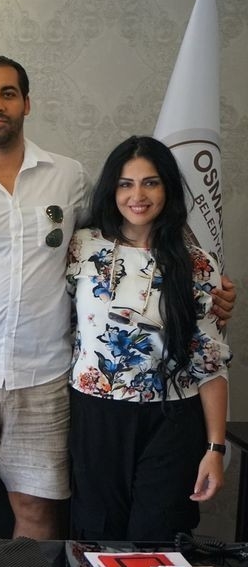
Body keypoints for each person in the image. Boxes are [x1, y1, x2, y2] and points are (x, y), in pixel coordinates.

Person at [0, 55, 236, 540]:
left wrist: (206, 285)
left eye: (8, 93)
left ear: (27, 103)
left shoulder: (69, 178)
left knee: (38, 511)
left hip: (47, 379)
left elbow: (134, 238)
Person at [67, 136, 231, 541]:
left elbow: (210, 363)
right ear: (112, 189)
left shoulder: (197, 263)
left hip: (172, 420)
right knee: (98, 537)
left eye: (150, 183)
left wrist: (215, 448)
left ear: (168, 188)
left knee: (156, 538)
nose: (137, 196)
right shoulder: (82, 247)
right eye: (126, 184)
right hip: (97, 416)